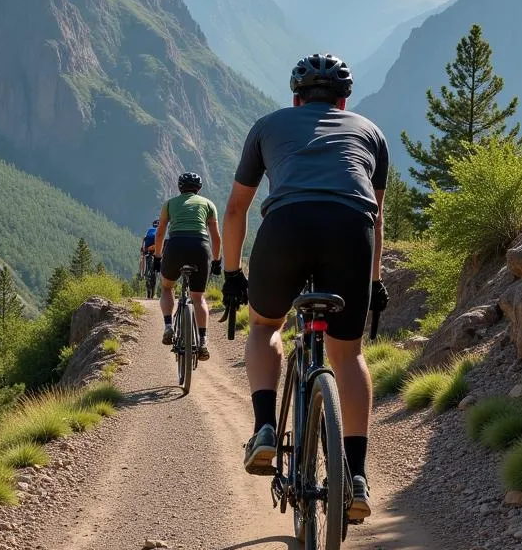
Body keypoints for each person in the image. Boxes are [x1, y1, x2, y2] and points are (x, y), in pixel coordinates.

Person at [220, 53, 390, 521]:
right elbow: (375, 218)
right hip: (350, 233)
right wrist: (374, 281)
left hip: (286, 229)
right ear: (343, 102)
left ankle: (265, 429)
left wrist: (232, 274)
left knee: (264, 325)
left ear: (295, 98)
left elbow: (236, 209)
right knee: (348, 354)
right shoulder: (371, 133)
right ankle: (355, 477)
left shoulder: (268, 125)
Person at [154, 172, 223, 361]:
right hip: (200, 247)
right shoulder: (208, 204)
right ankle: (202, 341)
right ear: (198, 188)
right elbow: (216, 237)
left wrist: (158, 257)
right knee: (198, 298)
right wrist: (216, 261)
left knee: (167, 288)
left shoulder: (169, 204)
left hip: (175, 246)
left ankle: (168, 326)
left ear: (180, 188)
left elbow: (160, 233)